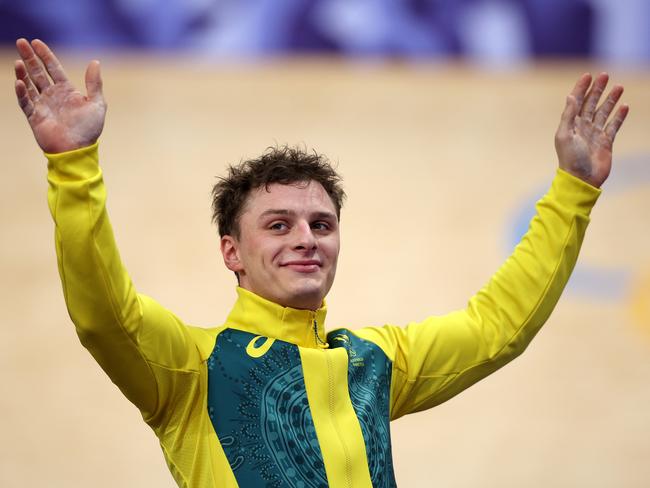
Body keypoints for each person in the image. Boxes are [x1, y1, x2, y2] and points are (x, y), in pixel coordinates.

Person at [14, 37, 628, 488]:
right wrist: (74, 166)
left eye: (322, 224)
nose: (307, 238)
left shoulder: (374, 362)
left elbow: (499, 327)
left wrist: (575, 186)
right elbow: (103, 313)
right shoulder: (188, 369)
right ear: (232, 253)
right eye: (278, 225)